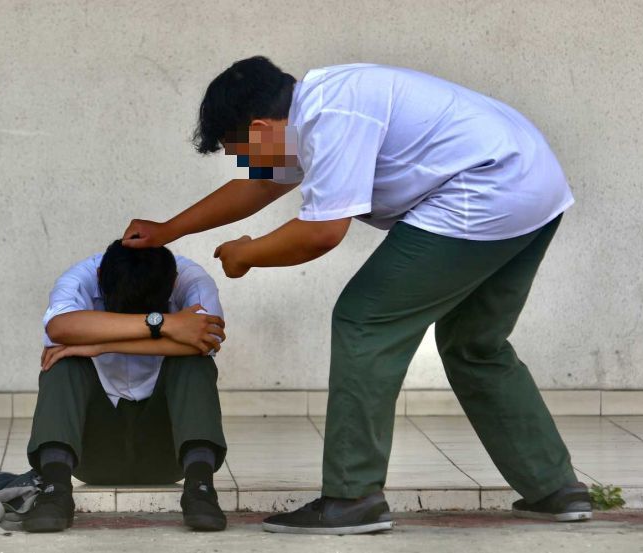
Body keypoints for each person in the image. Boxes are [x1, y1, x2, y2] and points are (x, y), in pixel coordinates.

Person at [121, 56, 593, 534]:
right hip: (534, 185)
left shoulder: (332, 119)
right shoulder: (315, 112)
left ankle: (352, 495)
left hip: (483, 190)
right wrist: (169, 230)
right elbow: (261, 185)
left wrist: (249, 254)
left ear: (262, 126)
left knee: (363, 320)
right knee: (476, 345)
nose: (243, 162)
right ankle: (555, 487)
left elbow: (322, 233)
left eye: (237, 149)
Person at [23, 240, 229, 532]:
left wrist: (99, 344)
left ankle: (201, 490)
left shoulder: (190, 278)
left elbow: (208, 341)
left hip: (170, 450)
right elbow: (58, 328)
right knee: (63, 360)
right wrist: (162, 325)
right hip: (92, 452)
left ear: (173, 284)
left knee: (195, 360)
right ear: (99, 279)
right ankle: (55, 491)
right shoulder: (80, 277)